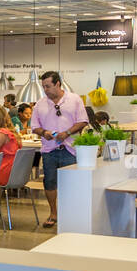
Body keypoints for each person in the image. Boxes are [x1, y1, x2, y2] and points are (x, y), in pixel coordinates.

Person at [30, 71, 87, 228]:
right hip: (49, 150)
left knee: (72, 183)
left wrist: (67, 133)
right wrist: (44, 133)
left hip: (70, 149)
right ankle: (53, 213)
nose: (46, 90)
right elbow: (34, 126)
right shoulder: (40, 104)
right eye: (43, 87)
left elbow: (83, 121)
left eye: (48, 86)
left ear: (57, 84)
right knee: (49, 182)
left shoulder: (74, 99)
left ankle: (71, 214)